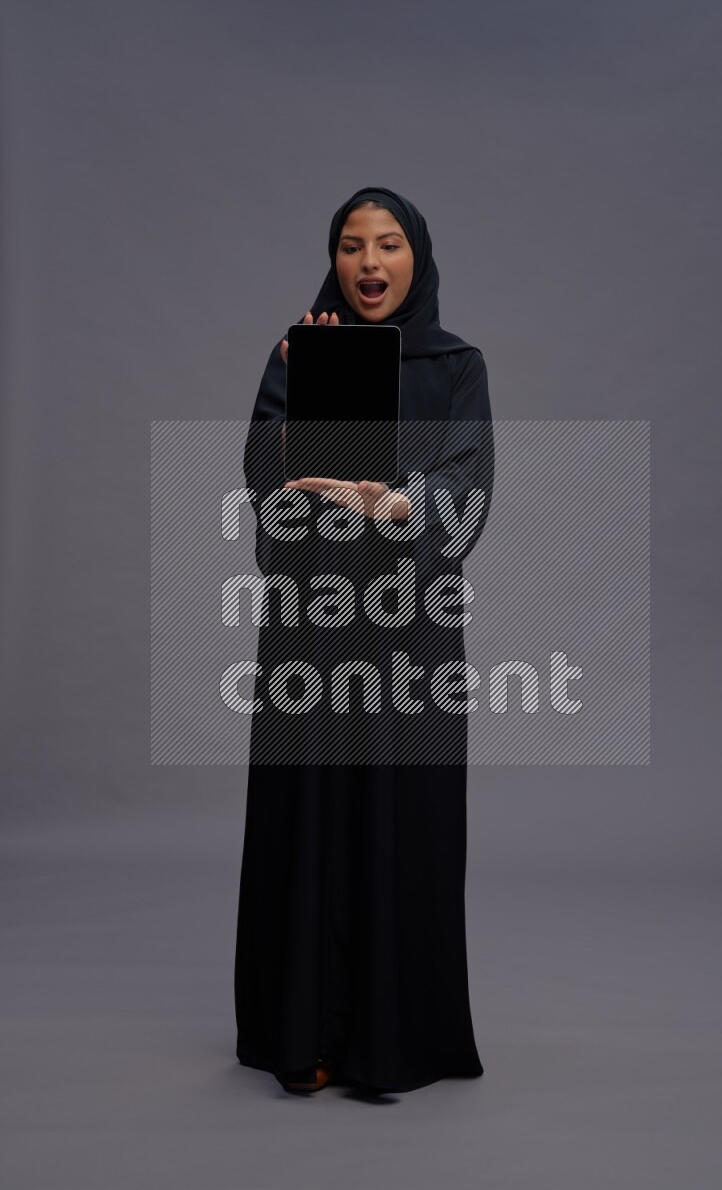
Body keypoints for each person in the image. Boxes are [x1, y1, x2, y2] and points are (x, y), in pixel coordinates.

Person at [234, 185, 495, 1095]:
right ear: (335, 258)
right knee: (308, 815)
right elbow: (266, 473)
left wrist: (395, 503)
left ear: (417, 255)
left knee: (400, 818)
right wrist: (305, 385)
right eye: (352, 245)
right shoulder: (298, 355)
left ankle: (393, 1042)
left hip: (410, 636)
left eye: (387, 244)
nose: (369, 263)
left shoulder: (459, 365)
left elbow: (468, 483)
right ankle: (302, 1034)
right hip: (311, 627)